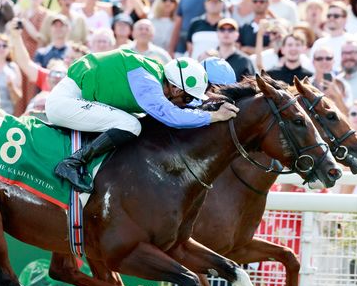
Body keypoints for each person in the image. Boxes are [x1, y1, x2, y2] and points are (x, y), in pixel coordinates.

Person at [46, 49, 238, 192]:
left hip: (76, 96)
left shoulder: (156, 74)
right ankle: (72, 163)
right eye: (187, 98)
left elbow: (175, 109)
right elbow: (172, 116)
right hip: (65, 102)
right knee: (131, 124)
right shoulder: (148, 82)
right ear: (177, 90)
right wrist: (214, 116)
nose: (187, 103)